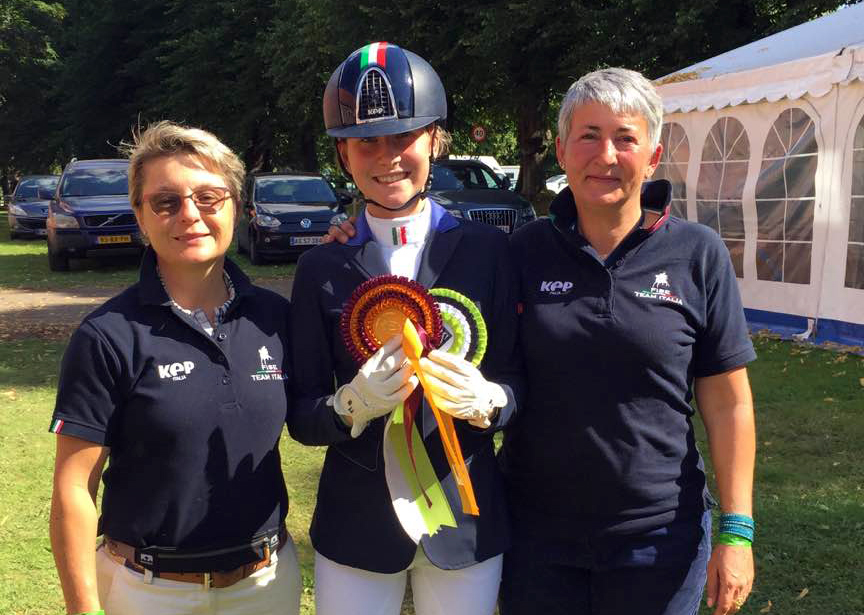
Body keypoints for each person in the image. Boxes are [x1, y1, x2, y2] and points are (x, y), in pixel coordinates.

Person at [327, 67, 757, 615]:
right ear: (561, 149)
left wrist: (737, 531)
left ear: (652, 155)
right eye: (588, 136)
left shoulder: (698, 253)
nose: (606, 155)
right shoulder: (521, 251)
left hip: (659, 534)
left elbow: (729, 402)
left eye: (625, 138)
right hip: (537, 536)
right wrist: (354, 232)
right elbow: (422, 267)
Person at [289, 42, 522, 615]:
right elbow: (301, 414)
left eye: (403, 138)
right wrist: (349, 404)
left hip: (464, 515)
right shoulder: (322, 266)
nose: (387, 157)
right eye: (367, 141)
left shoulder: (491, 252)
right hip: (358, 524)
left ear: (435, 141)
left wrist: (492, 401)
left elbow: (522, 379)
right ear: (344, 155)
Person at [48, 121, 301, 615]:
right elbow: (74, 487)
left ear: (236, 207)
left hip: (266, 583)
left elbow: (321, 415)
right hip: (146, 591)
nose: (190, 215)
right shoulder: (107, 336)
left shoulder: (275, 318)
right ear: (141, 217)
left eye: (209, 197)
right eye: (166, 202)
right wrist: (83, 609)